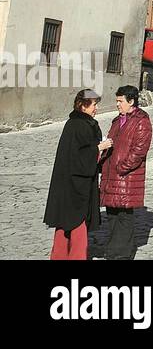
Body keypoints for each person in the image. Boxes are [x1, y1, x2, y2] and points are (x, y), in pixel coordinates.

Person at [44, 89, 112, 260]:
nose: (96, 108)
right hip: (76, 184)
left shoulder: (77, 123)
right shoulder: (80, 125)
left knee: (64, 221)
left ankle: (59, 256)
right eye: (94, 104)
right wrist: (99, 148)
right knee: (77, 221)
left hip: (70, 182)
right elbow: (78, 156)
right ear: (83, 105)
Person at [98, 85, 153, 260]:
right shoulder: (117, 121)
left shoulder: (141, 121)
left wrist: (122, 167)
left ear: (131, 101)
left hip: (126, 176)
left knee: (123, 216)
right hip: (111, 175)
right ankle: (115, 250)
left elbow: (139, 150)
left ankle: (121, 254)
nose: (117, 104)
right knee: (112, 214)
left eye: (120, 101)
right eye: (117, 101)